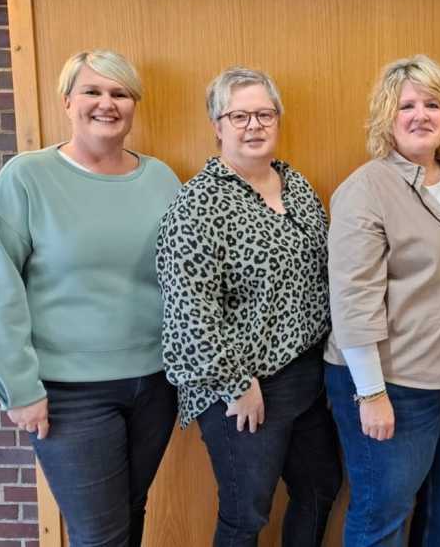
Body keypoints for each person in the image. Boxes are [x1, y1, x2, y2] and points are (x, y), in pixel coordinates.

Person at [0, 49, 181, 546]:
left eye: (120, 93)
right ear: (67, 101)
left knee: (131, 512)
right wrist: (18, 388)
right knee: (100, 535)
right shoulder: (27, 178)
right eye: (92, 91)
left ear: (133, 105)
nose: (107, 103)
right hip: (69, 395)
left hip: (155, 385)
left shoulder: (162, 179)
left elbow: (184, 279)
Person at [156, 67, 341, 547]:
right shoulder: (197, 205)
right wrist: (236, 385)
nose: (254, 125)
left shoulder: (296, 185)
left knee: (320, 487)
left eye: (264, 114)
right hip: (242, 384)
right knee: (246, 515)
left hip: (307, 373)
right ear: (217, 126)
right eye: (239, 116)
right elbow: (189, 311)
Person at [324, 54, 440, 547]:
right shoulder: (365, 190)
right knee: (383, 518)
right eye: (407, 106)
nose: (420, 115)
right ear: (388, 117)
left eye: (432, 104)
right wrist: (371, 393)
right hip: (392, 383)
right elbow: (353, 298)